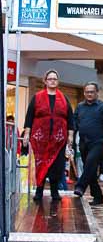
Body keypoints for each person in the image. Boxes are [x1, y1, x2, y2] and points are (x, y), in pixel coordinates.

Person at [23, 69, 74, 201]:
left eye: (55, 79)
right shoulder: (37, 97)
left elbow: (70, 118)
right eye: (50, 79)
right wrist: (27, 133)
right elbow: (29, 116)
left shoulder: (63, 98)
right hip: (41, 139)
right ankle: (39, 191)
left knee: (57, 166)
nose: (52, 81)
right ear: (45, 81)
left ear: (58, 81)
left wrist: (70, 135)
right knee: (41, 164)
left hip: (58, 139)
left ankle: (54, 191)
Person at [73, 82, 103, 206]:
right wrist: (70, 138)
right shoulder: (80, 107)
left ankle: (80, 186)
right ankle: (98, 197)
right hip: (83, 142)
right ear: (84, 93)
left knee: (90, 163)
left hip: (99, 143)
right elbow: (74, 123)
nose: (89, 94)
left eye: (92, 92)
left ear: (97, 92)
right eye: (87, 92)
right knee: (90, 170)